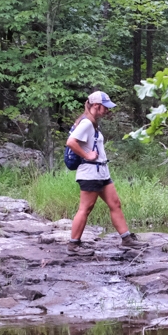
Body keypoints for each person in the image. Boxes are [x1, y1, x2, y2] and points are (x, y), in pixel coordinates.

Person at [65, 90, 143, 255]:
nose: (108, 110)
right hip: (90, 173)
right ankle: (73, 245)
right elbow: (71, 142)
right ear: (95, 106)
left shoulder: (93, 123)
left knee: (115, 204)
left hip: (101, 172)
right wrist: (87, 155)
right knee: (85, 208)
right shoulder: (86, 123)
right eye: (105, 107)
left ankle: (126, 239)